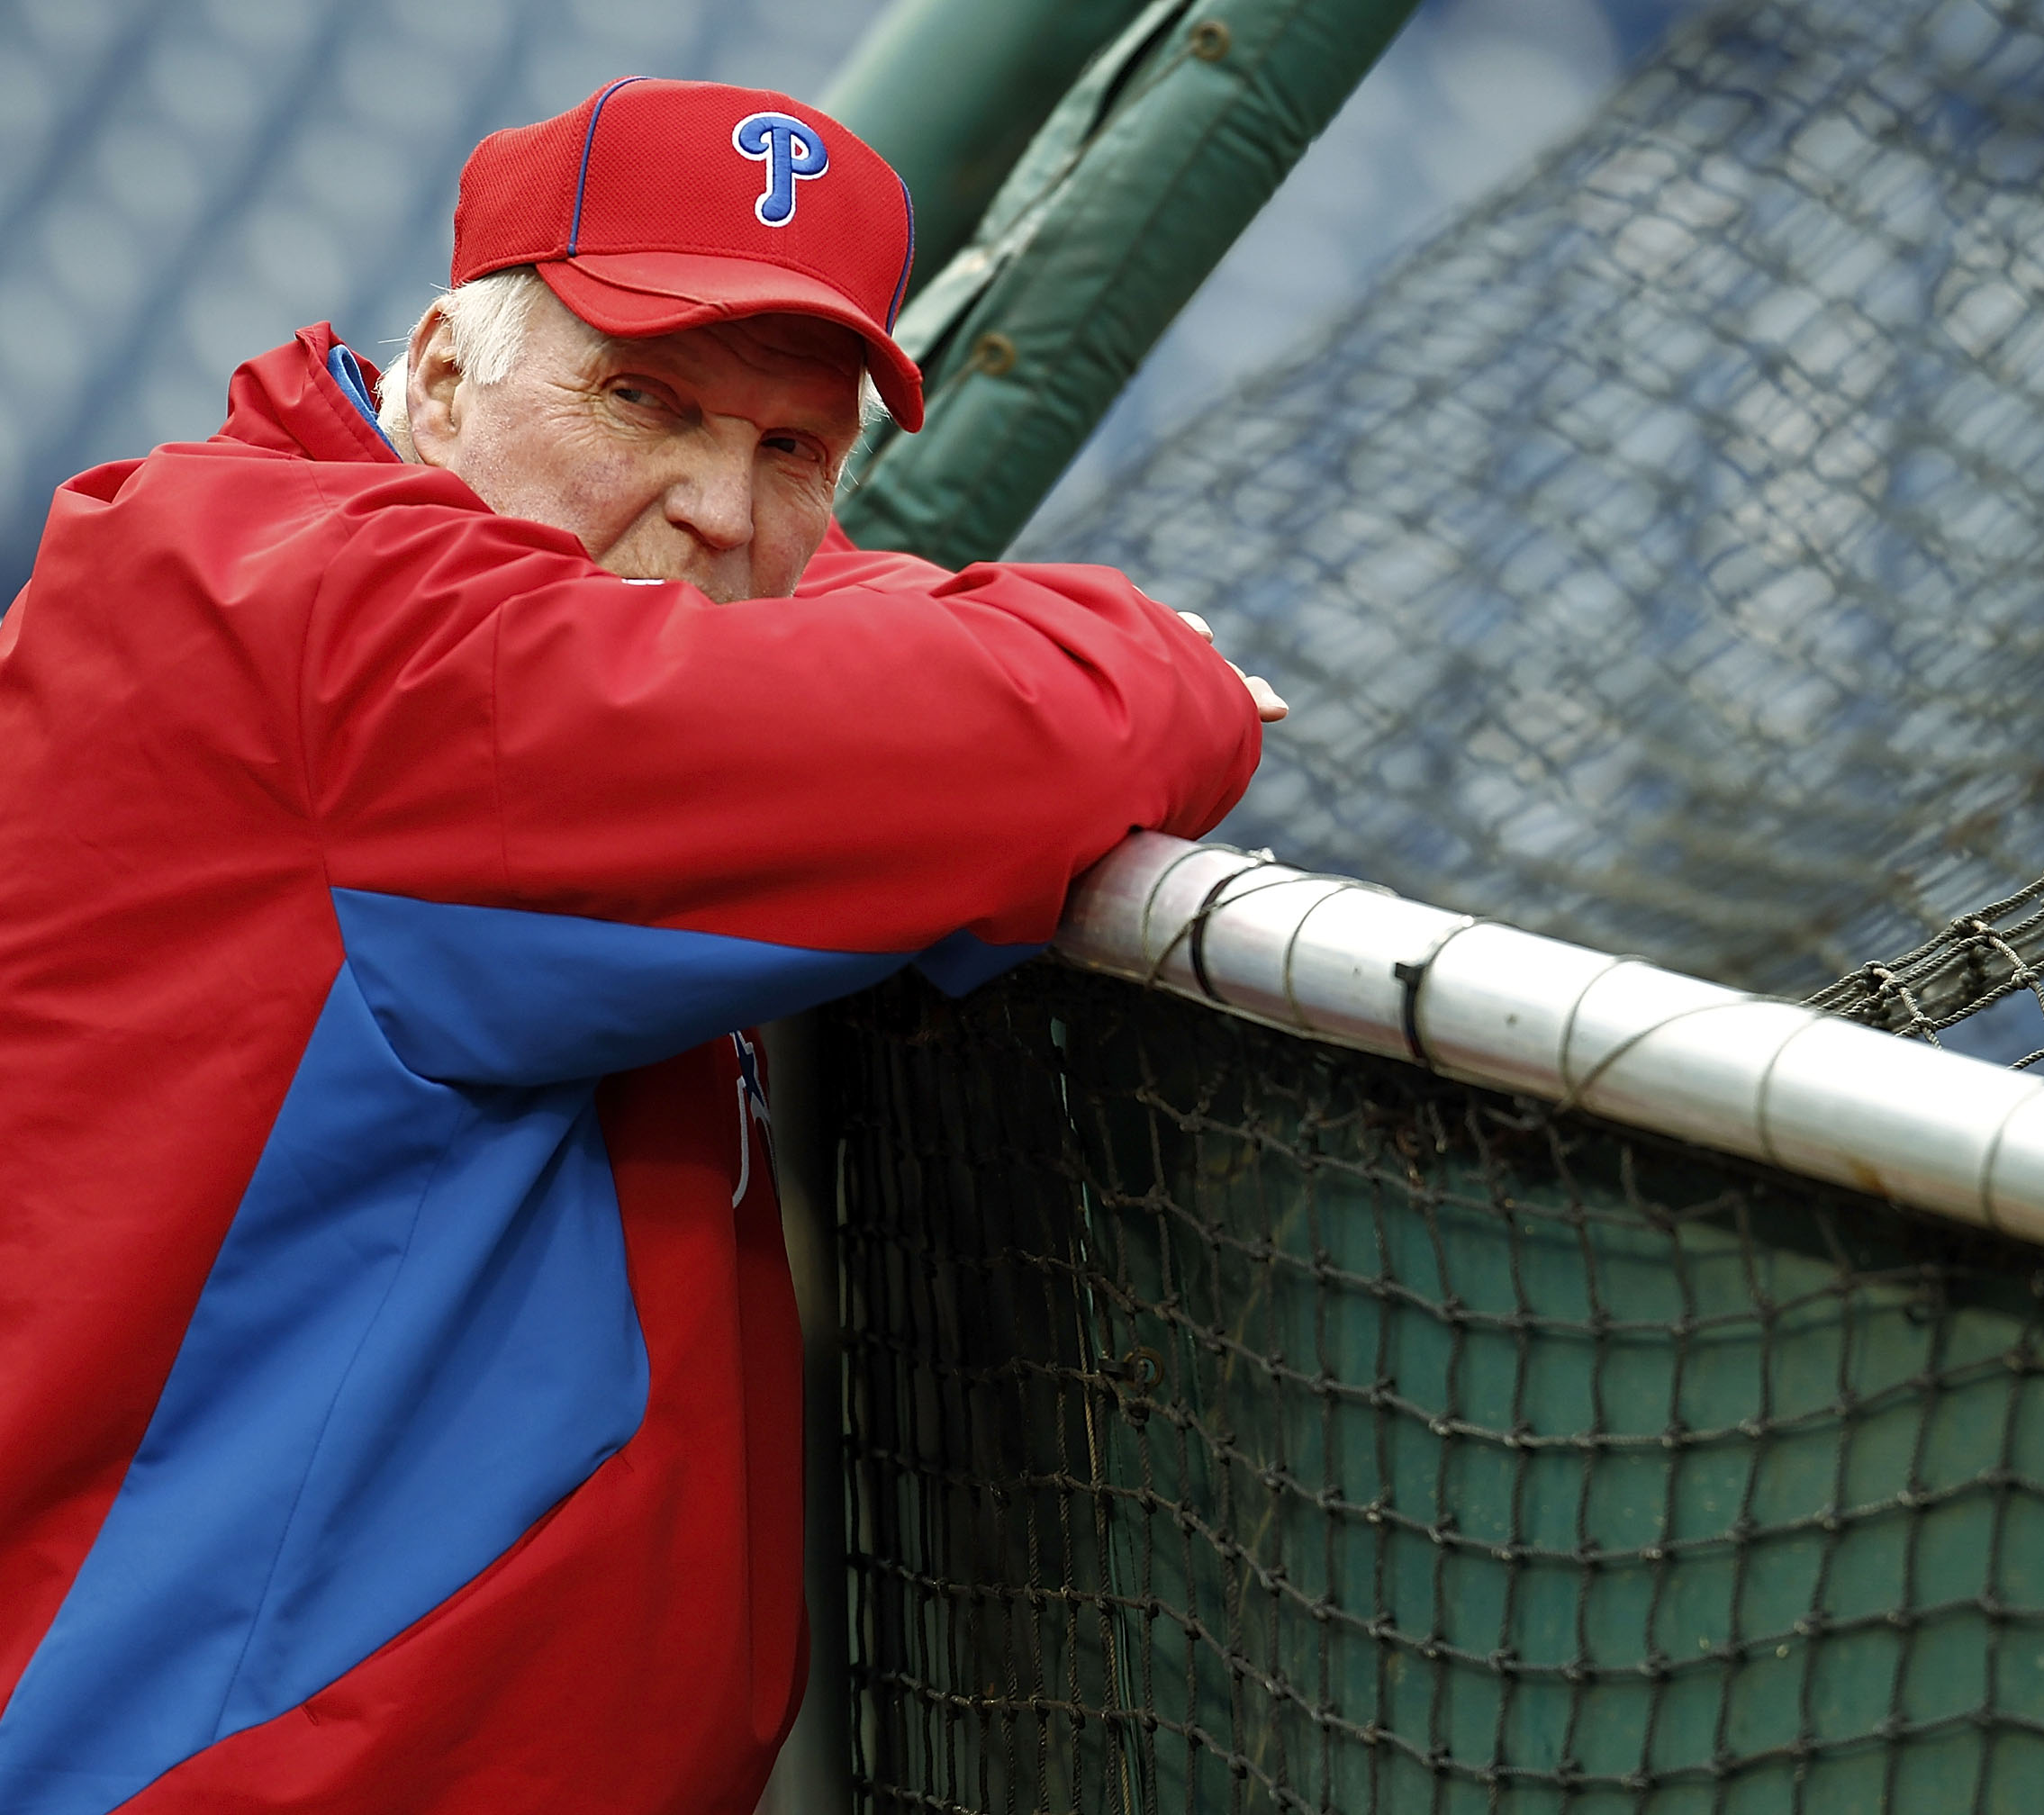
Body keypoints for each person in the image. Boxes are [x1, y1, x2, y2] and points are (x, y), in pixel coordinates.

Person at [0, 78, 1274, 1815]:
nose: (714, 511)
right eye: (642, 401)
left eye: (789, 451)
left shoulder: (325, 566)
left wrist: (938, 637)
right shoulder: (333, 640)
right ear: (442, 368)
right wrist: (1157, 666)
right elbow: (1015, 733)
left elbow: (803, 638)